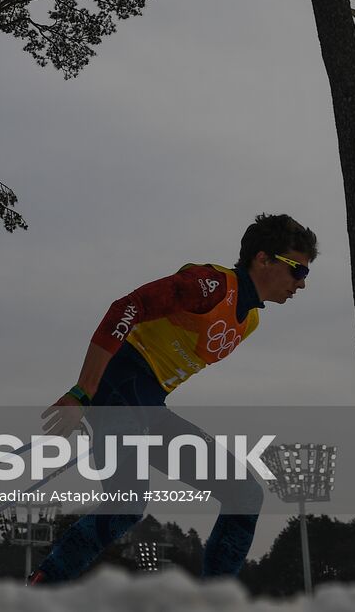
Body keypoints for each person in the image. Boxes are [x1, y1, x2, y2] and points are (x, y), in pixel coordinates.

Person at [30, 213, 317, 584]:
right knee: (127, 503)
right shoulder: (212, 285)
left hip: (150, 410)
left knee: (245, 494)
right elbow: (128, 307)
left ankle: (215, 600)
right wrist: (82, 391)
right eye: (298, 270)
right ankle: (43, 586)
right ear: (263, 259)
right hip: (118, 394)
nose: (302, 283)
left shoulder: (250, 321)